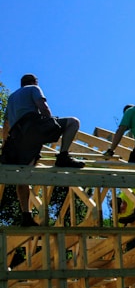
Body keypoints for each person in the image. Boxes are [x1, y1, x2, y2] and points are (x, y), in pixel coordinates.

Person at [1, 74, 84, 227]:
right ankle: (63, 156)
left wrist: (5, 146)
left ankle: (26, 215)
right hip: (33, 127)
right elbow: (43, 106)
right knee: (73, 122)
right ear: (34, 82)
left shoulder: (12, 98)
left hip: (17, 139)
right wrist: (50, 124)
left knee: (23, 174)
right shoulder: (34, 88)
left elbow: (6, 125)